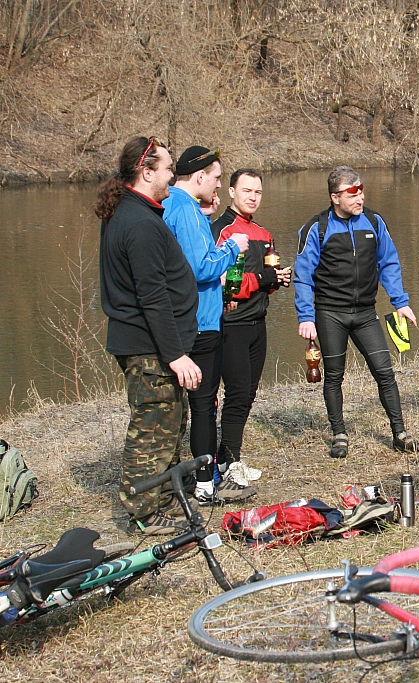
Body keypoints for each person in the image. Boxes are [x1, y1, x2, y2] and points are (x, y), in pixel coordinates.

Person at [96, 136, 201, 535]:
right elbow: (152, 296)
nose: (173, 175)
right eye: (169, 168)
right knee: (152, 428)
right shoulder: (138, 223)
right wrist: (175, 354)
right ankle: (142, 512)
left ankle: (165, 499)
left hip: (152, 344)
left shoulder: (133, 211)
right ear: (146, 172)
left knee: (170, 423)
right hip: (147, 346)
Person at [294, 165, 419, 458]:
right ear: (335, 197)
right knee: (334, 376)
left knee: (384, 372)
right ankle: (339, 435)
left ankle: (400, 434)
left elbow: (389, 263)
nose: (360, 198)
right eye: (352, 193)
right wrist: (306, 317)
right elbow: (303, 276)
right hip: (330, 313)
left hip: (365, 313)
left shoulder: (374, 222)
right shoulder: (316, 228)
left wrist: (400, 302)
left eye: (361, 191)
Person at [163, 146, 257, 505]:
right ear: (200, 176)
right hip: (200, 323)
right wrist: (233, 248)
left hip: (179, 319)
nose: (218, 184)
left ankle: (179, 475)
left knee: (180, 407)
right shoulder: (186, 209)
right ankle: (205, 482)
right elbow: (201, 267)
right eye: (216, 178)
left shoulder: (170, 203)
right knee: (204, 405)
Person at [211, 169, 291, 482]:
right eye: (247, 191)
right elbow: (221, 283)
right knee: (237, 392)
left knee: (248, 393)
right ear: (232, 192)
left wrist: (276, 280)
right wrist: (260, 279)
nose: (253, 197)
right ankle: (230, 463)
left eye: (257, 192)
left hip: (258, 322)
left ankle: (227, 457)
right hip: (230, 323)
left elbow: (263, 283)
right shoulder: (222, 230)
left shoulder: (263, 233)